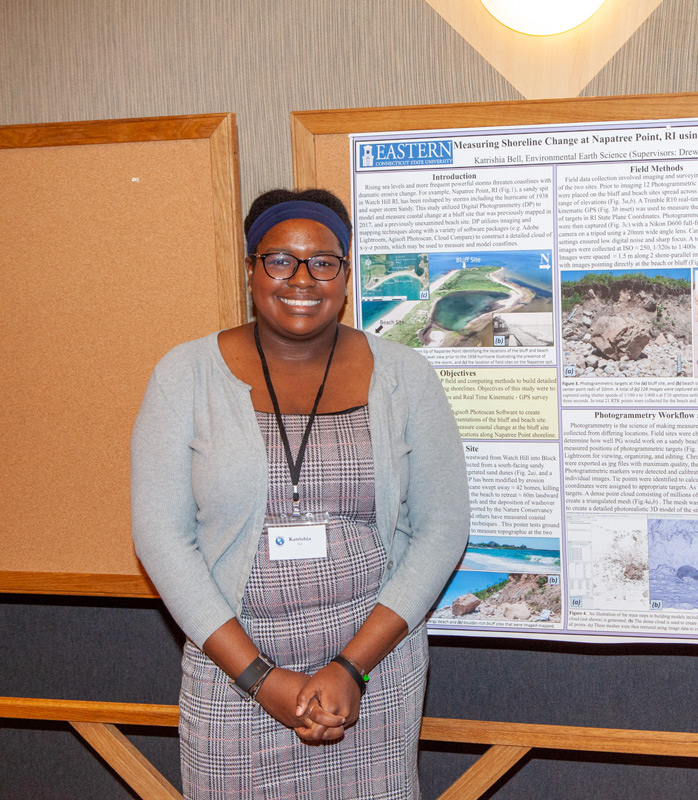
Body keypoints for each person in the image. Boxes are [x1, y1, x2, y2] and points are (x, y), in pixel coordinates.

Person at [131, 188, 470, 799]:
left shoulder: (405, 375)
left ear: (344, 271)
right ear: (251, 268)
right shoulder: (184, 375)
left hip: (374, 668)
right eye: (281, 259)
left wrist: (350, 667)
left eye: (323, 261)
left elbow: (443, 527)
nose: (302, 278)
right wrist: (261, 679)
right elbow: (160, 536)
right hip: (232, 670)